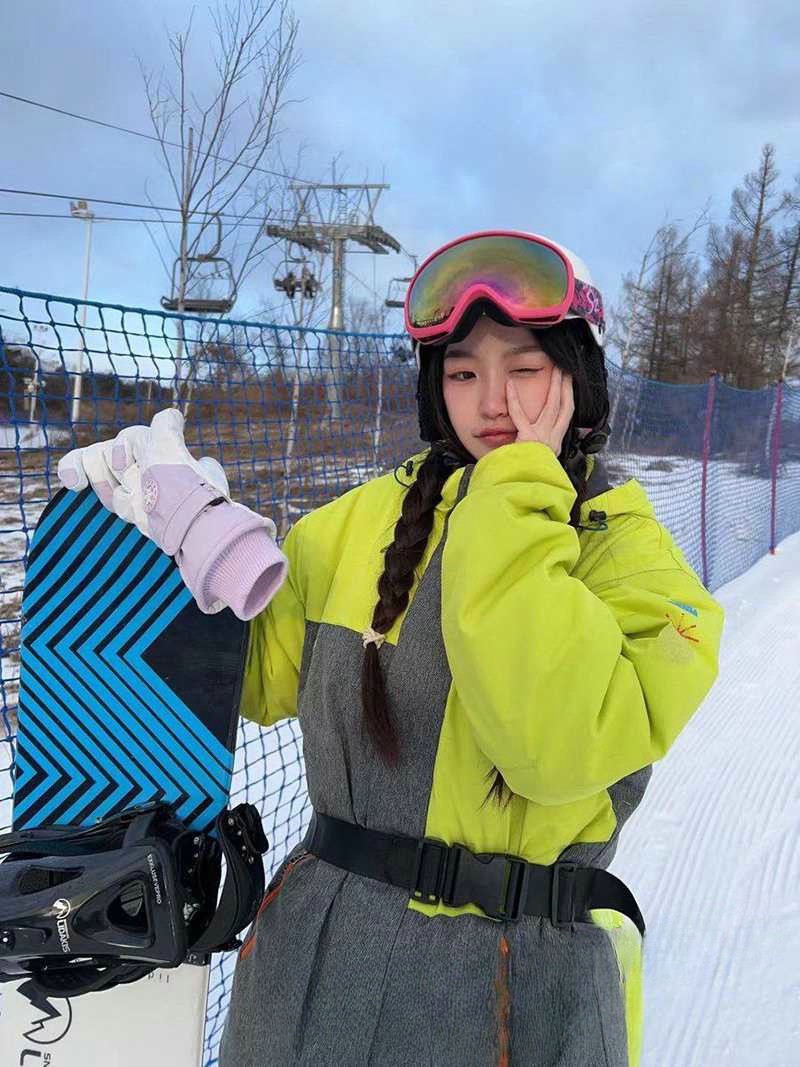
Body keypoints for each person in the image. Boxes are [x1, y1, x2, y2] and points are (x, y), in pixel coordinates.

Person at [57, 229, 725, 1067]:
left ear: (579, 378)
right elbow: (250, 680)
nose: (492, 401)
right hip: (313, 972)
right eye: (462, 373)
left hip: (521, 995)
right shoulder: (354, 527)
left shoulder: (640, 570)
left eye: (524, 369)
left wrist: (516, 494)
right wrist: (186, 543)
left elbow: (554, 748)